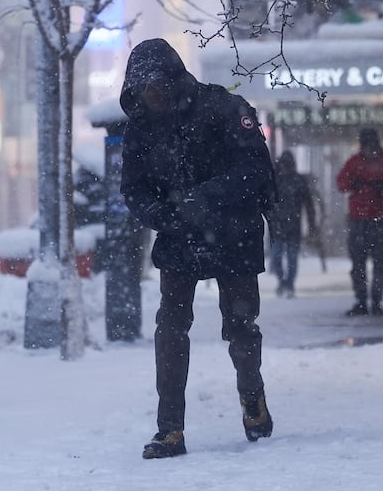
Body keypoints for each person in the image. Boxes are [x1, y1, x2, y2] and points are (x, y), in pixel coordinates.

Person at [119, 38, 277, 460]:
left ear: (172, 77)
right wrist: (166, 216)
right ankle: (170, 429)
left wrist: (206, 197)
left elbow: (256, 167)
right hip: (179, 237)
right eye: (141, 87)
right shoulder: (140, 127)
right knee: (170, 329)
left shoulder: (224, 108)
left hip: (234, 232)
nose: (150, 94)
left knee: (241, 325)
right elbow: (132, 189)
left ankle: (252, 397)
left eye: (155, 84)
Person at [336, 128, 383, 316]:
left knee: (376, 261)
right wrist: (356, 184)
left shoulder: (382, 162)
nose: (370, 149)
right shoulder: (357, 163)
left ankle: (374, 300)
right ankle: (364, 300)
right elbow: (342, 183)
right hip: (361, 219)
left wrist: (382, 188)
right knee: (360, 263)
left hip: (377, 219)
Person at [269, 150, 316, 298]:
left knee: (288, 259)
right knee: (282, 258)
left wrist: (312, 223)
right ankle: (285, 283)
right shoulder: (280, 180)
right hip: (283, 226)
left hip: (287, 226)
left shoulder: (292, 180)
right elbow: (308, 205)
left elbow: (308, 204)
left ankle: (287, 284)